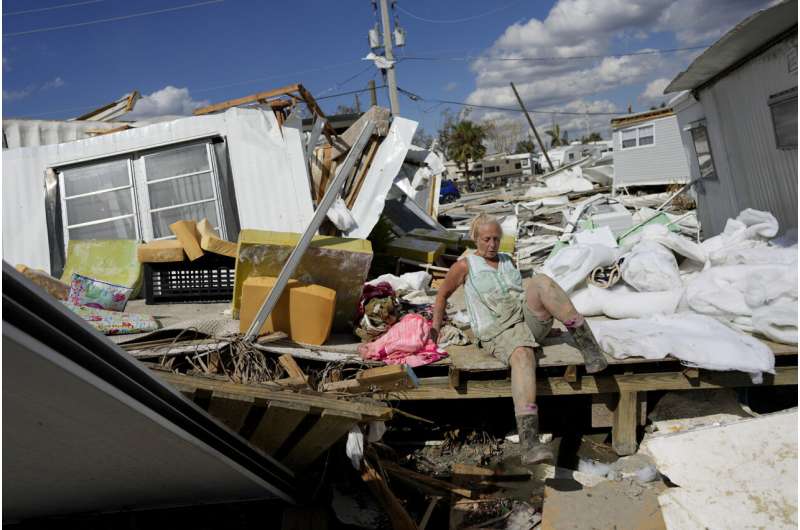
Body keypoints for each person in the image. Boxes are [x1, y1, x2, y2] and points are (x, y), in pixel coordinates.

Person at [430, 213, 609, 464]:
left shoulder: (506, 259)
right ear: (475, 239)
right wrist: (435, 327)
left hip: (525, 320)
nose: (492, 245)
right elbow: (441, 296)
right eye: (486, 239)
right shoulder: (465, 266)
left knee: (542, 282)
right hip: (498, 330)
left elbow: (521, 295)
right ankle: (529, 442)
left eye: (496, 239)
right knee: (523, 354)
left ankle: (589, 347)